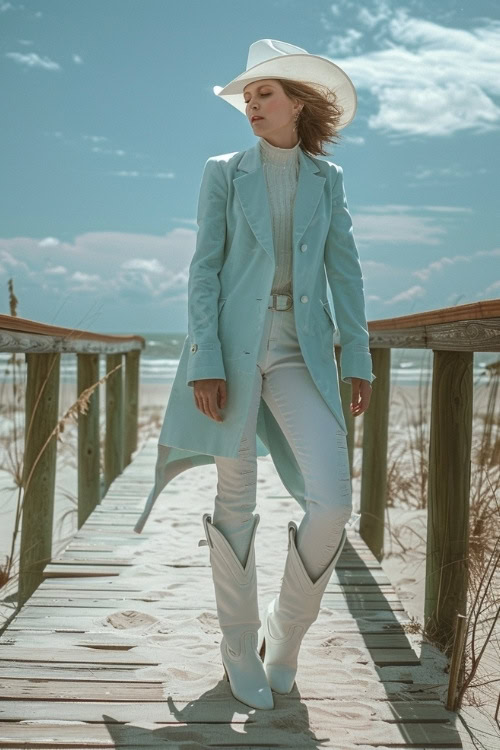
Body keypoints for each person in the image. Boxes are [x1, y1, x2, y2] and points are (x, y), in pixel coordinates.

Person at [134, 39, 376, 712]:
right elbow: (204, 269)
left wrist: (355, 356)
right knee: (235, 498)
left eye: (265, 93)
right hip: (234, 354)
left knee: (331, 502)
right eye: (247, 96)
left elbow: (345, 272)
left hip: (303, 351)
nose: (252, 104)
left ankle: (285, 633)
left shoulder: (329, 181)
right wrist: (204, 360)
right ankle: (238, 644)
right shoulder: (223, 171)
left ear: (299, 101)